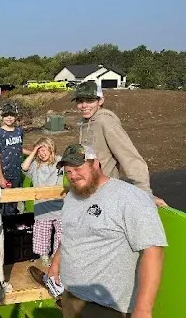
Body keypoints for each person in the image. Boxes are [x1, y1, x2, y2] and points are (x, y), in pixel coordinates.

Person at [48, 144, 167, 317]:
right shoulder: (73, 196)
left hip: (107, 306)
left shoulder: (129, 198)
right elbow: (70, 233)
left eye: (78, 168)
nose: (73, 175)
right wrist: (56, 263)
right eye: (68, 172)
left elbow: (153, 251)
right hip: (71, 295)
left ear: (95, 164)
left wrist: (143, 309)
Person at [73, 80, 167, 207]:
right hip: (90, 191)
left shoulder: (106, 122)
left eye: (89, 101)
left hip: (106, 193)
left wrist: (145, 193)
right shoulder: (84, 123)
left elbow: (129, 156)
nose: (84, 105)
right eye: (80, 101)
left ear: (100, 101)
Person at [21, 137, 63, 267]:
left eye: (45, 150)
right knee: (43, 234)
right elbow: (24, 166)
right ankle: (44, 256)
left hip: (59, 206)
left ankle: (57, 256)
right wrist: (34, 152)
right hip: (42, 206)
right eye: (40, 151)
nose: (42, 153)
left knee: (62, 234)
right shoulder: (35, 165)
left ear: (51, 150)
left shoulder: (59, 162)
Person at [0, 102, 31, 214]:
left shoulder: (19, 131)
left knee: (13, 204)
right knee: (1, 204)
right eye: (6, 115)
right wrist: (1, 177)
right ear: (2, 117)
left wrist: (34, 153)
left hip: (16, 174)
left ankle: (11, 229)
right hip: (3, 174)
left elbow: (19, 148)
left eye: (12, 115)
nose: (9, 118)